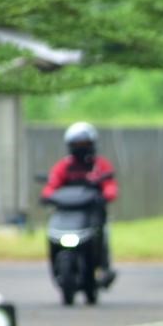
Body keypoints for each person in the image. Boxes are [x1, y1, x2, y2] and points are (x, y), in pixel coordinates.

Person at [42, 122, 119, 288]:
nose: (80, 148)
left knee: (102, 234)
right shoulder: (64, 166)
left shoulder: (99, 166)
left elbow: (109, 185)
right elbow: (52, 185)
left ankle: (103, 267)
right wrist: (48, 196)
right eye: (77, 144)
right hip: (68, 215)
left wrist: (107, 195)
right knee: (52, 234)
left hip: (92, 213)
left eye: (84, 144)